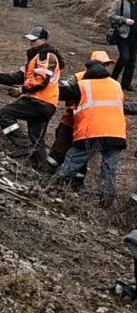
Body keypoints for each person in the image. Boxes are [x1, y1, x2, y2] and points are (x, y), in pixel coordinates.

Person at [52, 54, 127, 207]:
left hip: (91, 133)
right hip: (116, 134)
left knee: (73, 160)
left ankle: (55, 189)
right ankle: (106, 203)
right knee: (109, 169)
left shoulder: (82, 85)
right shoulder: (116, 85)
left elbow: (61, 93)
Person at [0, 26, 63, 169]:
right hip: (46, 103)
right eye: (29, 40)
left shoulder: (45, 56)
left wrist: (22, 89)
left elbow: (41, 81)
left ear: (43, 40)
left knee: (4, 114)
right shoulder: (35, 57)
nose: (30, 43)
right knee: (37, 140)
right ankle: (43, 171)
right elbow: (19, 76)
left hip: (38, 100)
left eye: (34, 40)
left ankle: (23, 145)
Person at [47, 50, 114, 174]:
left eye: (106, 64)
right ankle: (49, 176)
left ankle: (75, 183)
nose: (105, 67)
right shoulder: (78, 77)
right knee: (59, 151)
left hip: (89, 126)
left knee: (80, 157)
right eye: (103, 64)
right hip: (70, 122)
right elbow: (62, 90)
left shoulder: (109, 82)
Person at [107, 0, 137, 91]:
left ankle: (126, 84)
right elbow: (110, 15)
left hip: (135, 36)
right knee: (124, 57)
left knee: (132, 61)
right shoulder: (120, 2)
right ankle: (113, 79)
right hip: (122, 35)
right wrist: (124, 20)